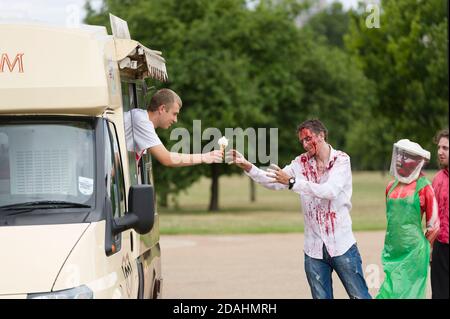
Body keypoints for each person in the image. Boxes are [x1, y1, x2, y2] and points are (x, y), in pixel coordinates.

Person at [228, 119, 371, 299]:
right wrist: (248, 166)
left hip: (342, 245)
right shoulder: (300, 163)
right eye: (302, 141)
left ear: (322, 135)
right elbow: (274, 181)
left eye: (308, 138)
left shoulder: (341, 160)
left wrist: (293, 183)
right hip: (313, 250)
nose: (304, 144)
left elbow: (330, 191)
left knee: (359, 296)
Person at [376, 139, 439, 299]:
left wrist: (422, 248)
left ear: (418, 161)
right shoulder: (390, 187)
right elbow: (392, 219)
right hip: (393, 252)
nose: (399, 160)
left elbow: (434, 225)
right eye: (399, 155)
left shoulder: (424, 187)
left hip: (414, 254)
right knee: (388, 293)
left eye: (406, 156)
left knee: (410, 294)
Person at [124, 88, 223, 166]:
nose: (175, 120)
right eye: (174, 114)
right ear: (162, 109)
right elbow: (166, 159)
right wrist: (205, 157)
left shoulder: (141, 119)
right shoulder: (141, 121)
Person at [431, 129, 449, 299]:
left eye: (446, 148)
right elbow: (432, 217)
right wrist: (430, 246)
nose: (440, 152)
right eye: (439, 147)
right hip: (440, 247)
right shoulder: (437, 179)